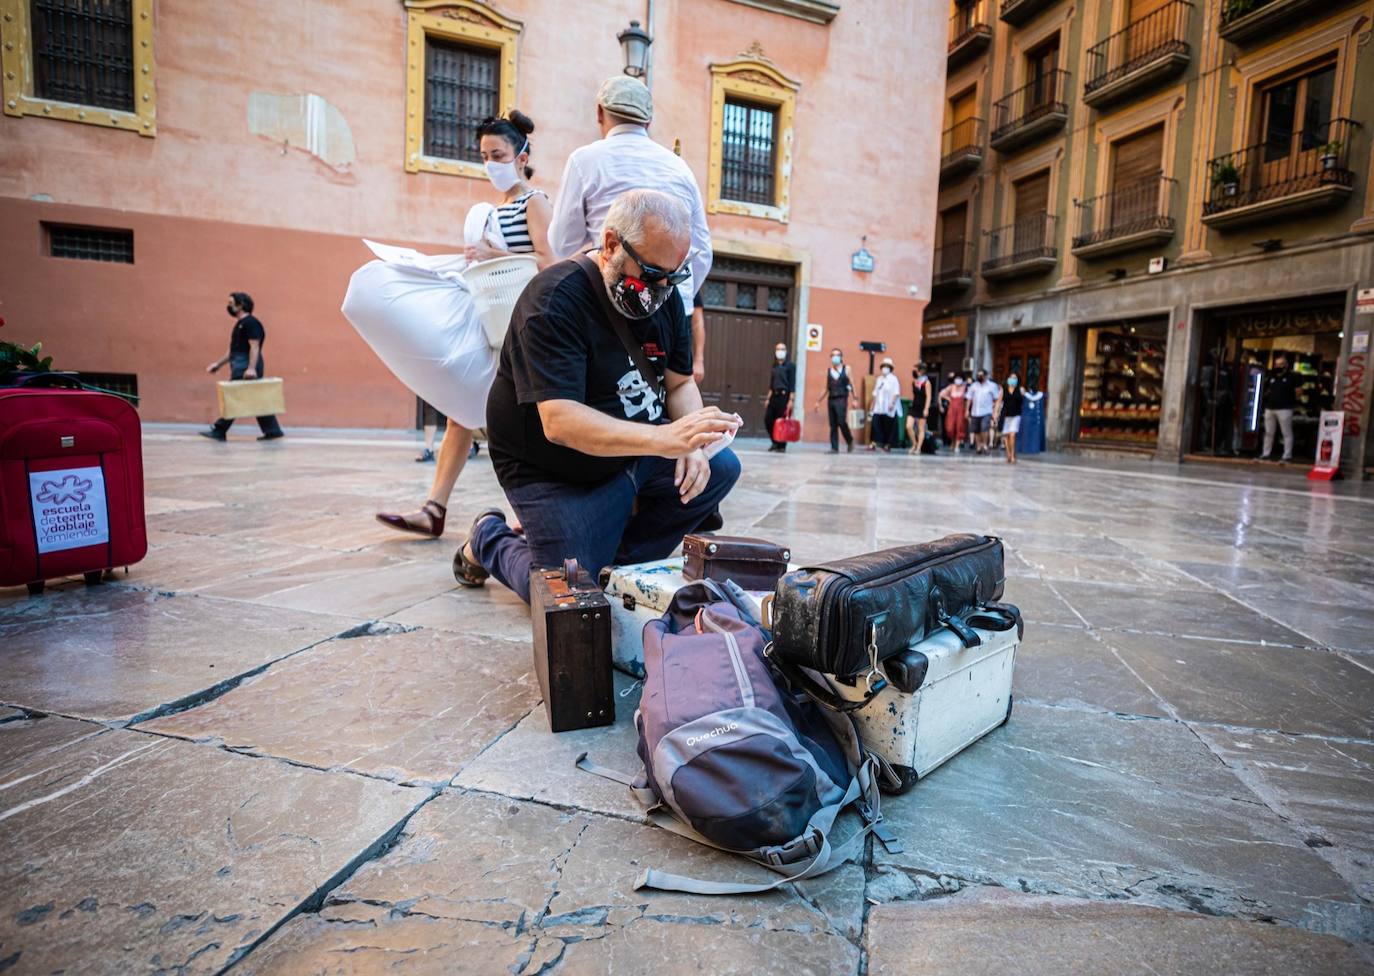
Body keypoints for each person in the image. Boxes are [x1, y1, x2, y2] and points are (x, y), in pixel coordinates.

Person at [452, 189, 741, 603]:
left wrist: (692, 442)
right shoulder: (555, 298)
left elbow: (679, 384)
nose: (660, 289)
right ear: (610, 245)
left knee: (719, 467)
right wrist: (665, 438)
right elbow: (560, 421)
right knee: (565, 596)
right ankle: (489, 538)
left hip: (630, 451)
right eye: (650, 274)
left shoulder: (666, 298)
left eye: (672, 277)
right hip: (550, 469)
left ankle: (613, 567)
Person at [374, 110, 554, 538]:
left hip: (522, 328)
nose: (490, 164)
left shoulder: (535, 201)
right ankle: (433, 509)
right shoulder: (496, 209)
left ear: (522, 157)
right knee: (461, 412)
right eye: (485, 156)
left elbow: (550, 263)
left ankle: (530, 515)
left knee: (519, 422)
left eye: (498, 155)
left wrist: (494, 256)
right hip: (492, 326)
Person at [547, 76, 712, 328]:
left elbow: (562, 243)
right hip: (673, 308)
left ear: (599, 112)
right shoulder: (680, 167)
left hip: (611, 301)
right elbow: (702, 252)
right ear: (648, 121)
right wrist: (677, 295)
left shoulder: (584, 160)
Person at [201, 292, 284, 441]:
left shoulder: (251, 323)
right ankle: (273, 430)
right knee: (257, 398)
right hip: (239, 363)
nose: (229, 306)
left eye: (231, 303)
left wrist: (251, 368)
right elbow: (232, 351)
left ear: (241, 305)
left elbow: (254, 346)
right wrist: (218, 365)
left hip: (245, 365)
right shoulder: (241, 324)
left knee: (234, 396)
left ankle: (220, 429)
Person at [813, 348, 856, 453]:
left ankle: (849, 440)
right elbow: (825, 388)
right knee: (833, 424)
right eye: (833, 355)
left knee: (841, 421)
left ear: (841, 357)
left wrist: (855, 398)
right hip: (831, 399)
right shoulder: (829, 371)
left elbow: (852, 384)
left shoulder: (846, 369)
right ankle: (834, 448)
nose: (835, 357)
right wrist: (818, 401)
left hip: (842, 398)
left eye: (837, 355)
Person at [1260, 355, 1297, 463]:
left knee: (1286, 432)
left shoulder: (1292, 377)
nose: (1278, 366)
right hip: (1270, 407)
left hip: (1285, 408)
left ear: (1286, 365)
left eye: (1281, 364)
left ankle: (1287, 455)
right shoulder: (1272, 377)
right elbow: (1267, 390)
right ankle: (1266, 454)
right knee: (1268, 432)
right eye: (1276, 364)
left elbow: (1298, 392)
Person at [764, 340, 796, 452]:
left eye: (782, 349)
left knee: (782, 422)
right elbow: (771, 384)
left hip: (784, 397)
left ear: (786, 351)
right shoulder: (775, 365)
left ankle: (782, 445)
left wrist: (791, 400)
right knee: (768, 420)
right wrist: (768, 398)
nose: (780, 351)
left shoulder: (791, 366)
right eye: (778, 349)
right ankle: (775, 442)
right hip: (774, 396)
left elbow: (792, 384)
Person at [869, 357, 901, 453]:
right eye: (884, 366)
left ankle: (887, 444)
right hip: (878, 406)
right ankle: (873, 443)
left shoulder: (893, 379)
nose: (885, 368)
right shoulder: (879, 379)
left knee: (888, 426)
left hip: (888, 406)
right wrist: (872, 405)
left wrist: (892, 403)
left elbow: (896, 392)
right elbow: (875, 392)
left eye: (887, 366)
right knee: (875, 424)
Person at [966, 368, 1001, 455]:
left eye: (981, 375)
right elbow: (969, 398)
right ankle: (978, 446)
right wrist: (966, 410)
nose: (979, 377)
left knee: (984, 428)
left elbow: (997, 399)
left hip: (986, 411)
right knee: (976, 430)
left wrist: (995, 412)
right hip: (975, 411)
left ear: (985, 376)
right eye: (978, 375)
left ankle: (985, 444)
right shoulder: (973, 386)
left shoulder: (992, 386)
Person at [907, 362, 932, 455]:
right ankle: (914, 444)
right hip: (914, 406)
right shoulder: (914, 382)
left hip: (922, 407)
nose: (915, 371)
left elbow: (929, 397)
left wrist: (926, 408)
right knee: (909, 426)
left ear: (921, 371)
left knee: (921, 428)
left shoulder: (927, 383)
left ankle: (919, 448)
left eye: (917, 370)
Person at [999, 372, 1024, 465]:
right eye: (1011, 378)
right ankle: (1008, 454)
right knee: (1006, 435)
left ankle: (1013, 455)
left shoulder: (1021, 389)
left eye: (1015, 378)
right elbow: (999, 402)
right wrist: (995, 413)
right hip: (1005, 415)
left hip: (1016, 415)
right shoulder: (1003, 390)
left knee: (1012, 434)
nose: (1012, 380)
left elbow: (1025, 401)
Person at [939, 374, 968, 453]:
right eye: (956, 378)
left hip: (961, 410)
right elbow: (941, 394)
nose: (958, 380)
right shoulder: (951, 387)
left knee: (959, 426)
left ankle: (957, 445)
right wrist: (948, 399)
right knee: (950, 427)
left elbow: (969, 398)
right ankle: (953, 441)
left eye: (959, 378)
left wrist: (967, 410)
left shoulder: (965, 388)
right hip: (952, 409)